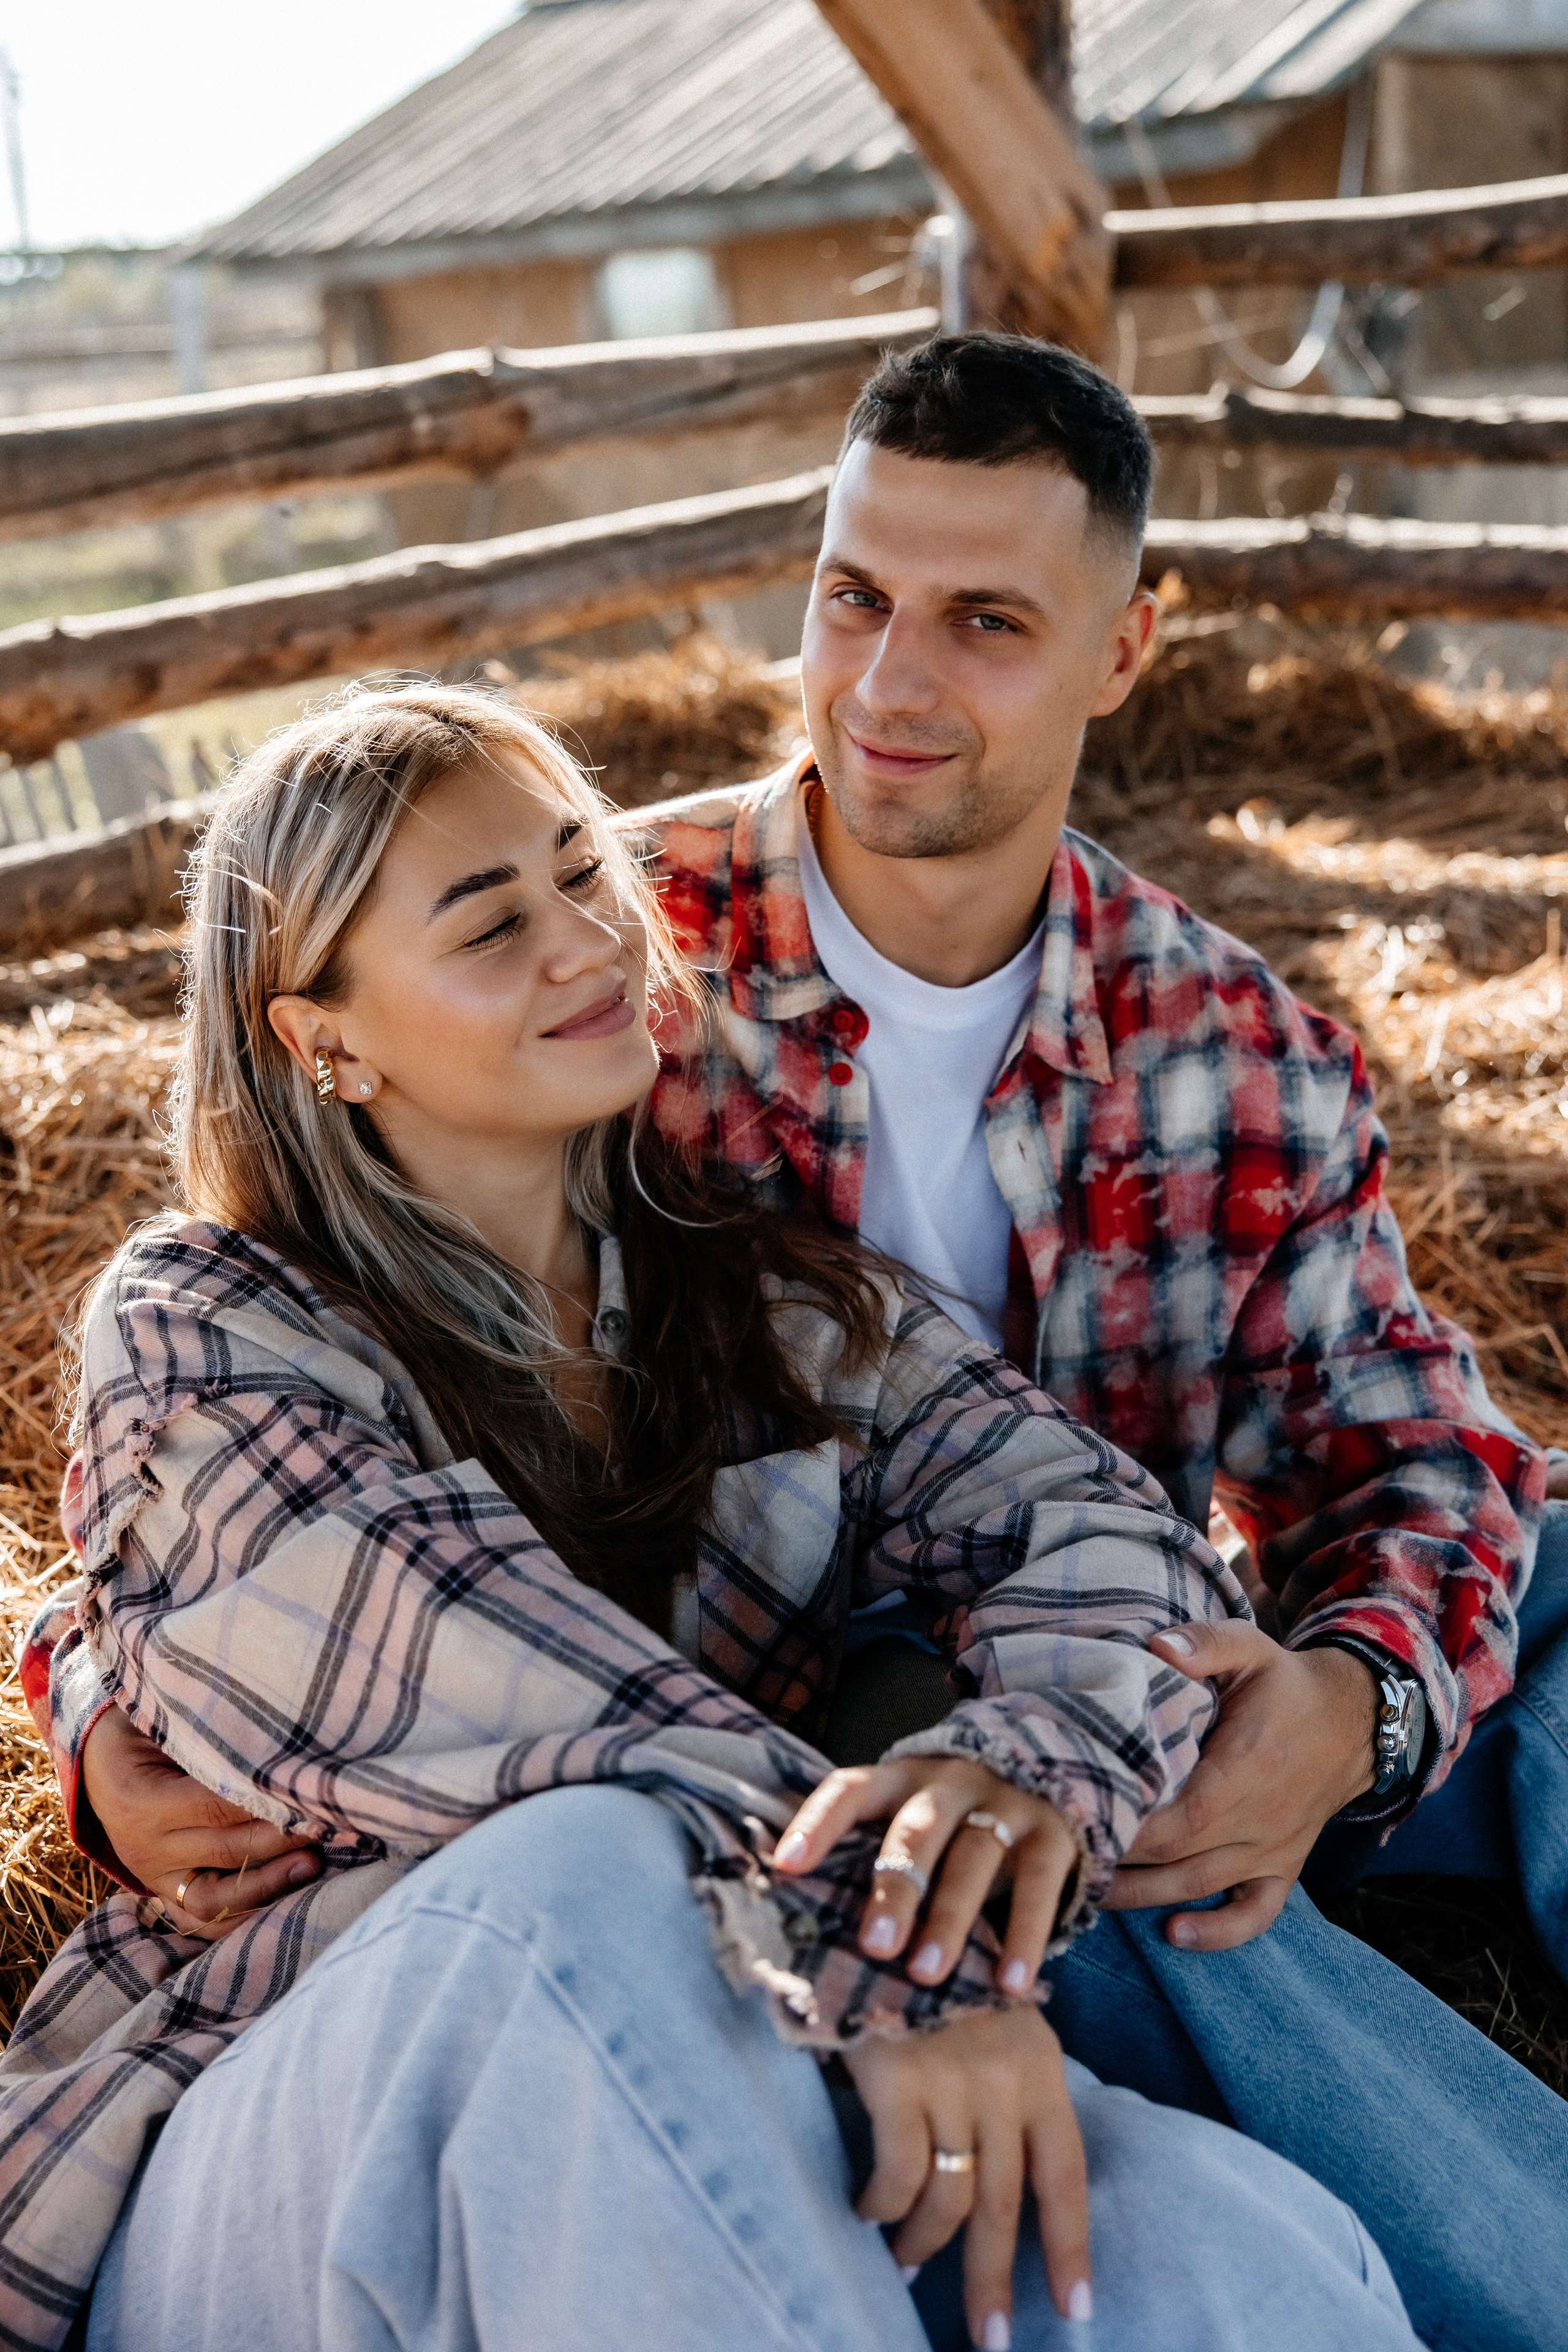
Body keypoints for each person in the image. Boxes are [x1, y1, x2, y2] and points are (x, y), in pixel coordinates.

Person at [27, 339, 1568, 2350]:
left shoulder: (1192, 1070)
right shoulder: (595, 968)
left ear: (1126, 651)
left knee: (1467, 1640)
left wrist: (1342, 1709)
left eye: (988, 623)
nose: (890, 685)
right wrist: (88, 1715)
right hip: (690, 1820)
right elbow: (234, 1564)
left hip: (1037, 1712)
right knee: (813, 1802)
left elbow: (1333, 1480)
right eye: (855, 598)